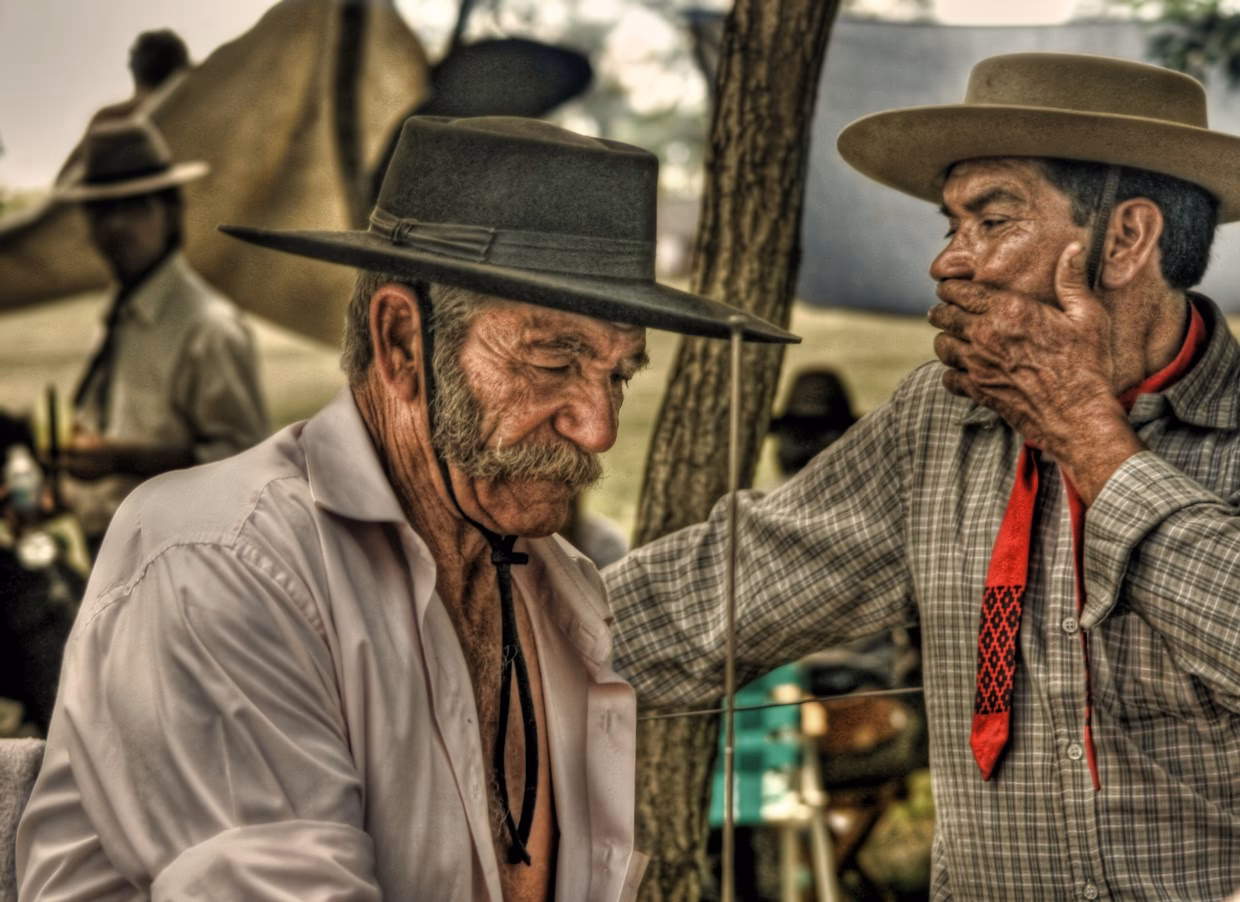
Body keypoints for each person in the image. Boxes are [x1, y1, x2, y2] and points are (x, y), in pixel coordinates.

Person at [16, 116, 795, 900]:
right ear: (400, 343)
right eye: (554, 360)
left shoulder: (554, 587)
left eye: (619, 374)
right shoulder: (217, 562)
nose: (599, 428)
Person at [605, 52, 1240, 900]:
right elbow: (711, 594)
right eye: (952, 226)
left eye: (992, 220)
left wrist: (1089, 438)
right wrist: (468, 629)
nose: (949, 263)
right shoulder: (943, 422)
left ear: (1126, 239)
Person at [55, 118, 268, 552]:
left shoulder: (208, 327)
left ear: (170, 212)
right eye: (101, 210)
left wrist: (118, 459)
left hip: (175, 563)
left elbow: (247, 472)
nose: (116, 226)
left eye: (135, 206)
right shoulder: (122, 310)